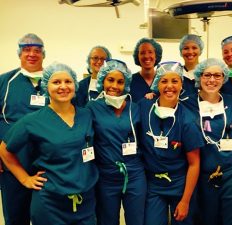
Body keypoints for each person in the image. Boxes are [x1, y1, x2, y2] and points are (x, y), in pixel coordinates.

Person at [0, 62, 98, 225]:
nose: (63, 87)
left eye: (68, 81)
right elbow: (4, 150)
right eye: (56, 82)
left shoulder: (87, 115)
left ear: (75, 84)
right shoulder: (32, 121)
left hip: (85, 201)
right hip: (50, 203)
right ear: (46, 86)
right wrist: (25, 179)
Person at [182, 58, 232, 225]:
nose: (212, 80)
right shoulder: (186, 104)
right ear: (199, 77)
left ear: (224, 78)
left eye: (217, 75)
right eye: (207, 75)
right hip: (205, 173)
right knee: (208, 219)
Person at [138, 61, 204, 225]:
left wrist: (185, 201)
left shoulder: (187, 121)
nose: (169, 86)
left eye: (174, 81)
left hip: (180, 186)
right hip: (154, 186)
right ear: (156, 84)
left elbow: (194, 164)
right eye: (164, 81)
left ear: (182, 84)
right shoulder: (144, 107)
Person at [86, 59, 146, 225]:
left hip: (134, 174)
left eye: (120, 82)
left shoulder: (135, 108)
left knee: (136, 220)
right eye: (110, 80)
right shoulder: (91, 108)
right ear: (102, 80)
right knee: (107, 220)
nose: (115, 86)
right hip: (106, 176)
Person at [0, 33, 47, 225]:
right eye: (27, 50)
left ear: (44, 54)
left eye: (37, 50)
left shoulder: (54, 81)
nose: (32, 54)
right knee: (15, 216)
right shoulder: (5, 81)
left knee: (46, 216)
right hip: (12, 160)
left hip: (46, 161)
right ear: (19, 54)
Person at [130, 37, 163, 102]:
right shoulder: (130, 81)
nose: (146, 56)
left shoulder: (163, 80)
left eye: (150, 52)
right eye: (142, 53)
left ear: (156, 55)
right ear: (137, 57)